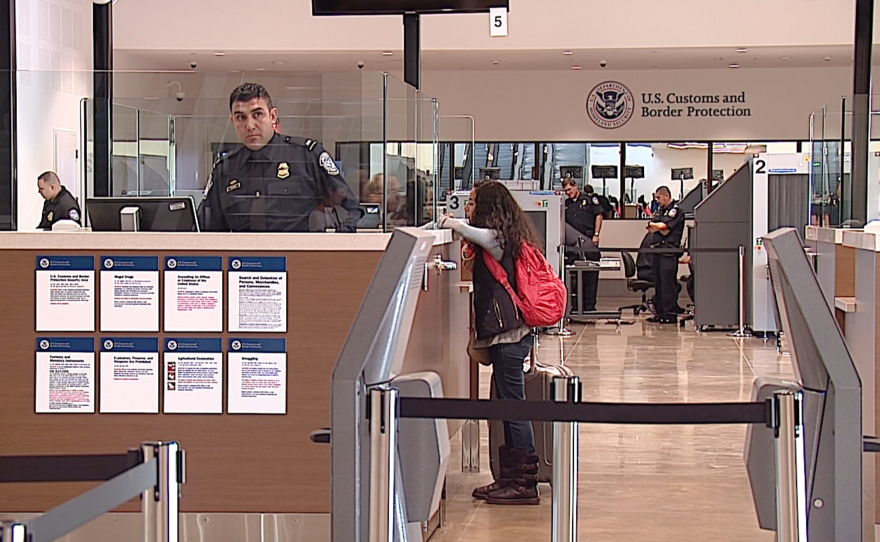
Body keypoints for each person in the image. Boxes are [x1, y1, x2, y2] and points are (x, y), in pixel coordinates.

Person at [438, 181, 541, 506]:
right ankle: (508, 478)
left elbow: (474, 233)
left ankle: (525, 484)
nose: (467, 209)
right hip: (504, 336)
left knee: (514, 408)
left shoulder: (500, 238)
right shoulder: (504, 236)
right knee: (505, 405)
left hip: (510, 335)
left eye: (472, 203)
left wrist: (451, 222)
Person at [198, 83, 362, 232]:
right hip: (244, 262)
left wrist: (330, 252)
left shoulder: (307, 156)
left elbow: (350, 209)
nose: (250, 125)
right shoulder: (225, 169)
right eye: (241, 117)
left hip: (300, 259)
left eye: (257, 114)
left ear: (273, 116)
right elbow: (206, 229)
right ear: (232, 121)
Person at [562, 178, 603, 312]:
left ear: (575, 187)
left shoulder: (589, 200)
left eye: (569, 189)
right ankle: (575, 307)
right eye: (565, 191)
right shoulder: (566, 204)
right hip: (573, 246)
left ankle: (589, 307)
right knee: (574, 277)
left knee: (590, 276)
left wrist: (596, 234)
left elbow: (599, 215)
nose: (568, 193)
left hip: (589, 241)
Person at [645, 185, 685, 324]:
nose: (657, 200)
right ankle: (660, 313)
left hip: (668, 251)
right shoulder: (660, 210)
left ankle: (670, 314)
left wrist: (655, 225)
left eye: (658, 197)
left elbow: (664, 229)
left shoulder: (676, 210)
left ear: (666, 196)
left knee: (668, 284)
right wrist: (656, 225)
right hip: (657, 250)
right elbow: (651, 228)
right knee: (659, 284)